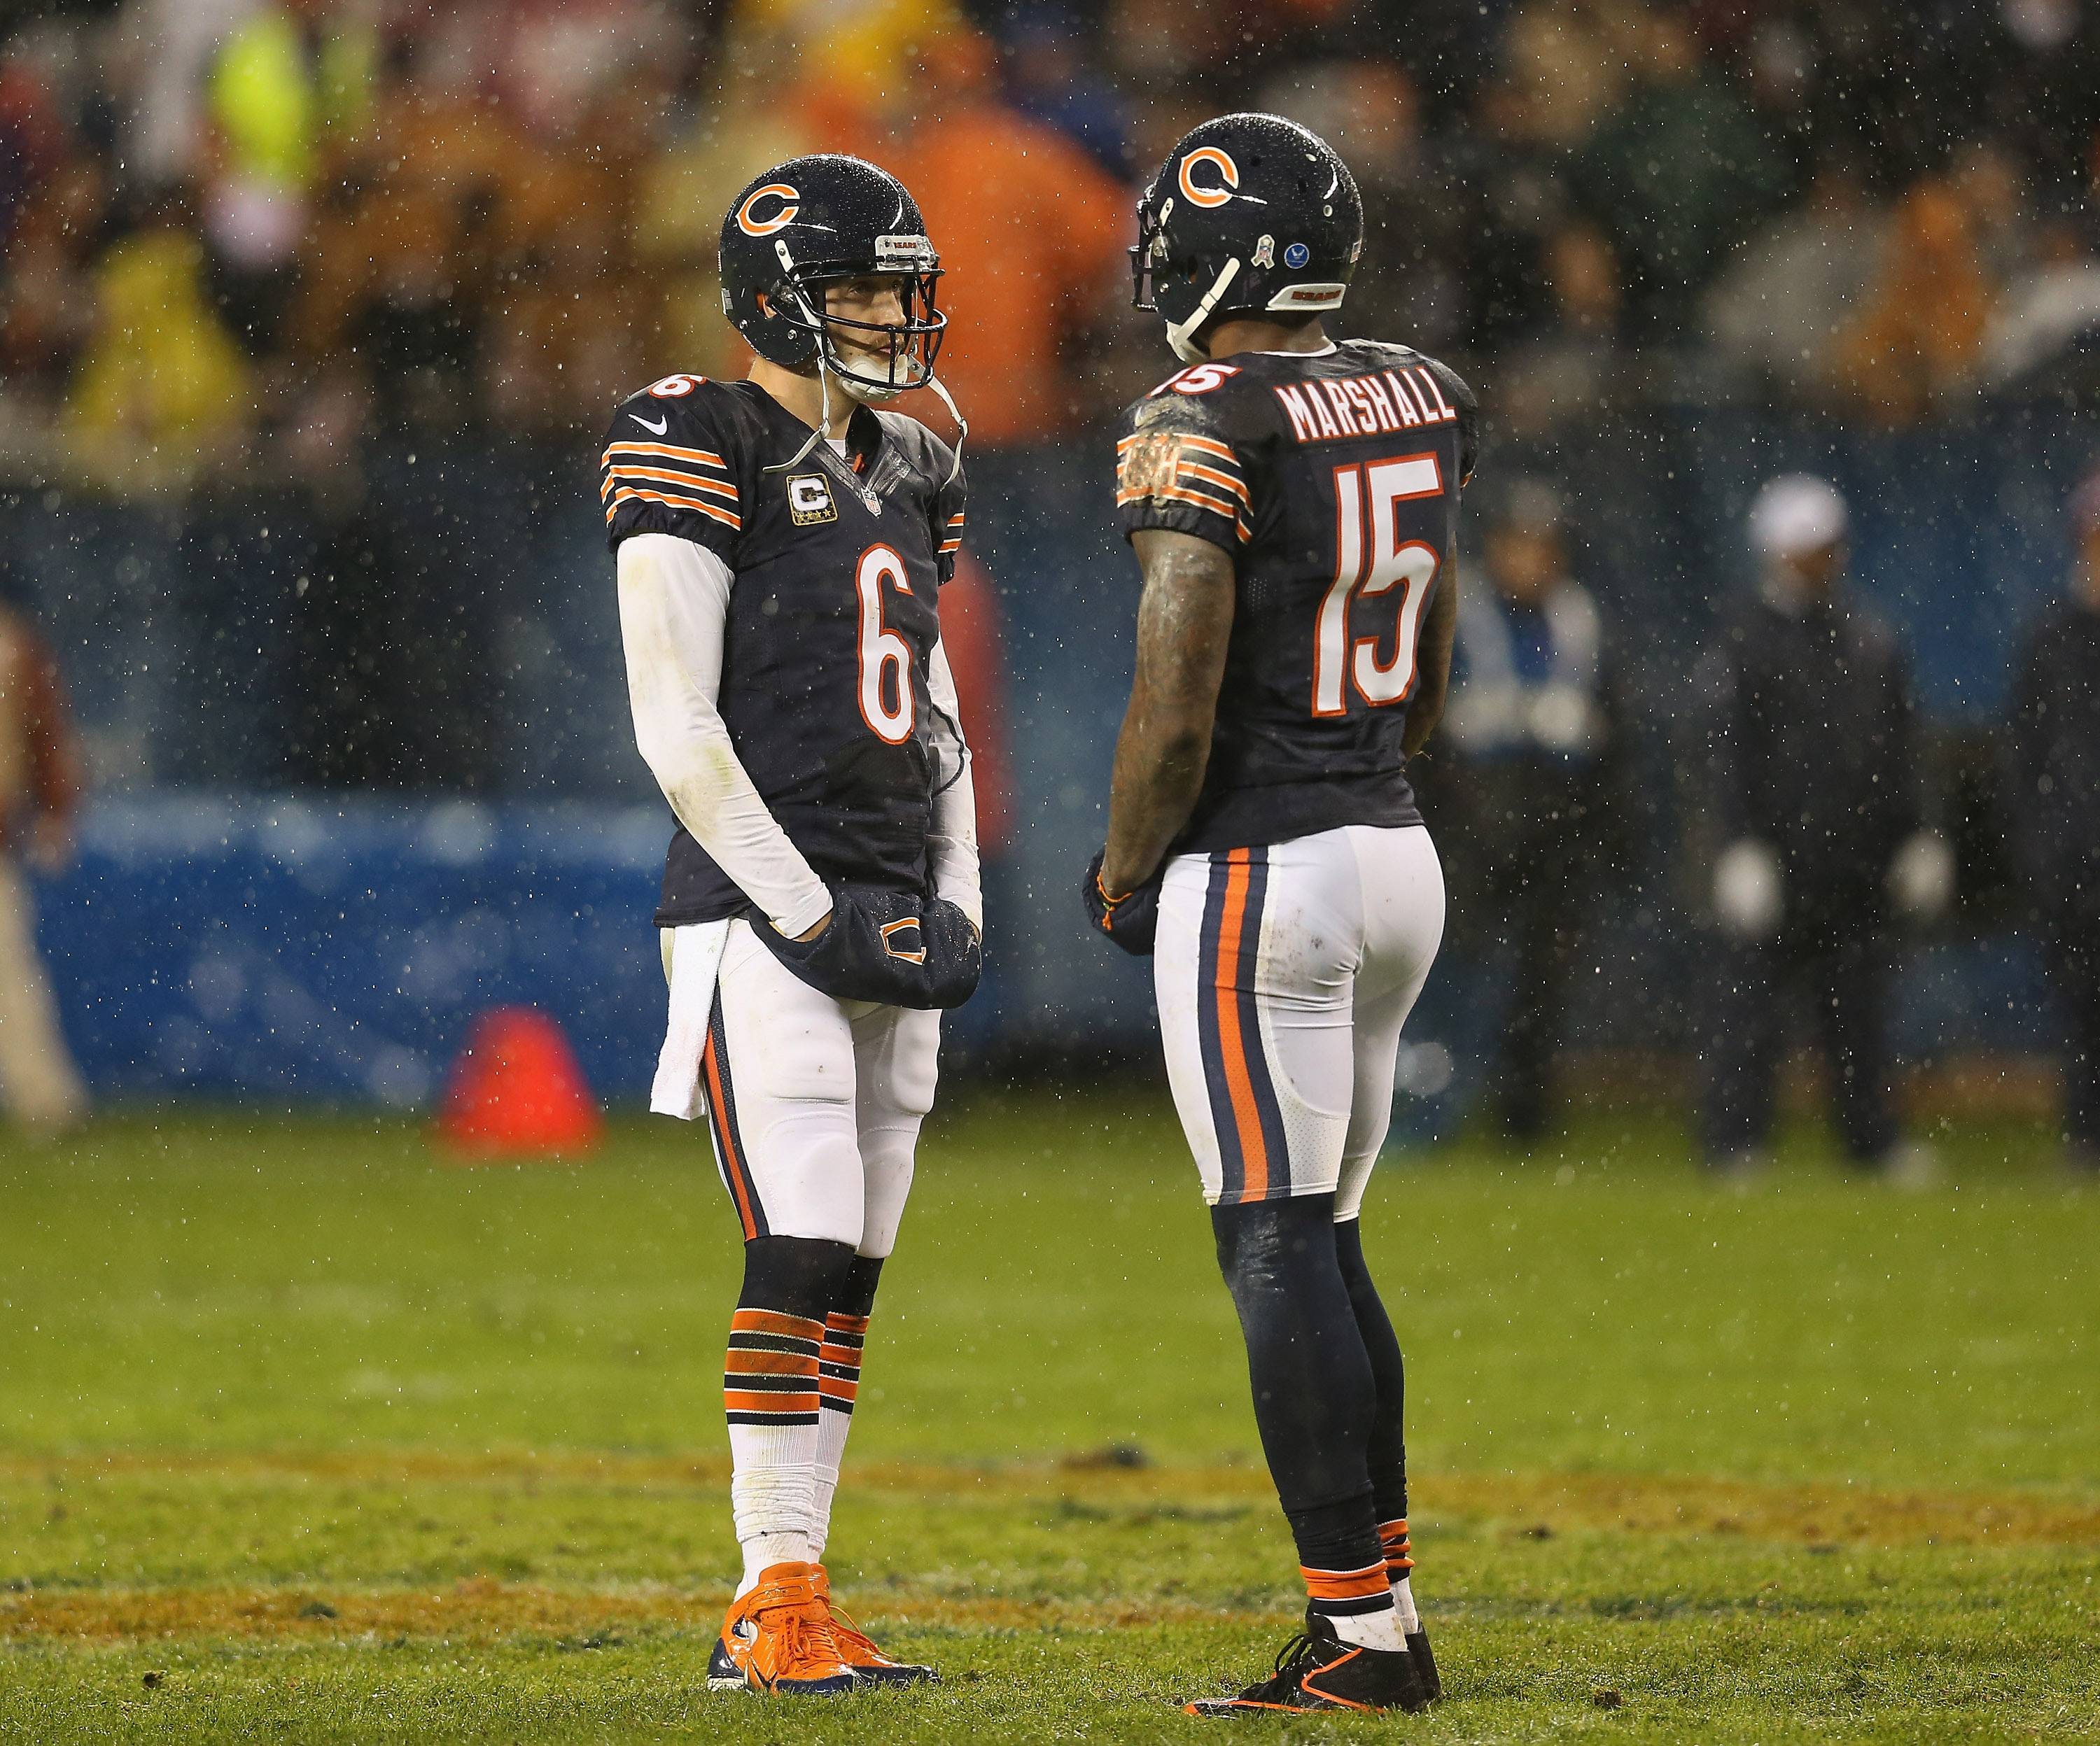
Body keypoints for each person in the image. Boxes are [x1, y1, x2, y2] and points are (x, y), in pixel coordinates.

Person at [1084, 113, 1478, 1717]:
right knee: (1322, 1235)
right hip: (1391, 847)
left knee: (1269, 1238)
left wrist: (1123, 869)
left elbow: (1176, 696)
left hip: (1264, 868)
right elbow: (1433, 634)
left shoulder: (1203, 412)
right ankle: (1381, 1603)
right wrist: (1371, 772)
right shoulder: (1415, 389)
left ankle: (1359, 1637)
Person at [606, 155, 981, 1698]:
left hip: (889, 892)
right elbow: (674, 723)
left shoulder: (912, 460)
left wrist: (955, 892)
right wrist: (809, 903)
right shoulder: (700, 430)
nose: (897, 316)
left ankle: (800, 1587)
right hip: (767, 908)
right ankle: (770, 1594)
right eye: (866, 290)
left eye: (905, 287)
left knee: (852, 1275)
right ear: (777, 297)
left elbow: (939, 710)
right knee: (800, 1238)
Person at [1695, 474, 1951, 1184]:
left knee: (1860, 1010)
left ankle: (1868, 1137)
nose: (1824, 560)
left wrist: (1919, 832)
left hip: (1856, 858)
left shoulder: (1868, 637)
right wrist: (1737, 844)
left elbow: (1901, 743)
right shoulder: (1743, 641)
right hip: (1777, 856)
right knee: (1749, 1011)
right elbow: (1725, 750)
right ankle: (1735, 1140)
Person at [1436, 479, 1623, 1142]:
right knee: (1451, 968)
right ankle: (1431, 1108)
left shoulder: (1580, 619)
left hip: (1557, 819)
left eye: (1544, 546)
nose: (1532, 561)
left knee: (1544, 977)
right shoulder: (1460, 613)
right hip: (1473, 820)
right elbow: (1427, 727)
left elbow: (1611, 732)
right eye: (1519, 545)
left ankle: (1524, 1116)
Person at [2005, 468, 2100, 1176]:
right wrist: (2046, 846)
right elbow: (2027, 755)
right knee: (2081, 1003)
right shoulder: (2051, 637)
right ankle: (2088, 1134)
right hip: (2076, 860)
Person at [0, 600, 88, 1134]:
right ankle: (46, 1100)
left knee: (10, 976)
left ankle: (46, 1100)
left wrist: (57, 807)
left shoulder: (12, 645)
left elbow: (45, 730)